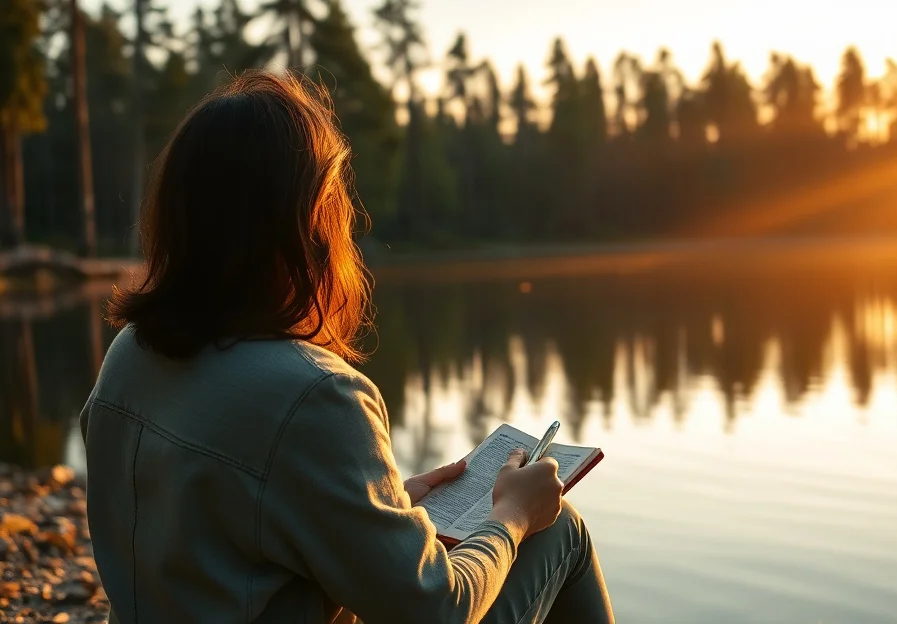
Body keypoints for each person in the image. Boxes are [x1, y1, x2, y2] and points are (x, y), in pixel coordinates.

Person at [79, 71, 614, 624]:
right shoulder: (316, 394)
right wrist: (512, 516)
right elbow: (436, 610)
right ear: (307, 221)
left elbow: (225, 533)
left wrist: (383, 507)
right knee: (560, 536)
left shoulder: (129, 355)